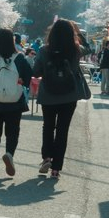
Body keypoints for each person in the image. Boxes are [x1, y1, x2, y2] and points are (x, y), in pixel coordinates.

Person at [32, 19, 86, 179]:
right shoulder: (76, 50)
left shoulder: (43, 50)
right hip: (69, 95)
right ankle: (56, 169)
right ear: (72, 34)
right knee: (63, 130)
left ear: (52, 33)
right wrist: (77, 30)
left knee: (48, 126)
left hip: (48, 93)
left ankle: (46, 158)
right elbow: (88, 47)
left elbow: (36, 72)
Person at [0, 28, 32, 176]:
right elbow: (28, 77)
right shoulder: (19, 58)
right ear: (12, 41)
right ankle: (9, 154)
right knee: (12, 132)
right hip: (14, 102)